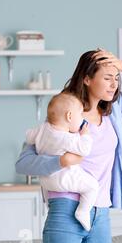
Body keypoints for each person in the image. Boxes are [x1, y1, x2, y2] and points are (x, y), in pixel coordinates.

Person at [16, 49, 122, 243]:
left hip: (100, 213)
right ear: (87, 79)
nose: (114, 84)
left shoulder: (115, 110)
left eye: (116, 78)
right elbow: (23, 164)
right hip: (65, 209)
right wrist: (60, 161)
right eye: (107, 78)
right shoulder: (65, 113)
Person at [25, 92, 97, 232]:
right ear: (69, 116)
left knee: (49, 195)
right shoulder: (66, 138)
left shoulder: (42, 129)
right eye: (80, 114)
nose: (82, 118)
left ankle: (48, 204)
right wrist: (85, 135)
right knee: (92, 186)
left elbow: (28, 136)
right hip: (64, 180)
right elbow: (85, 149)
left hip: (46, 183)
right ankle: (83, 211)